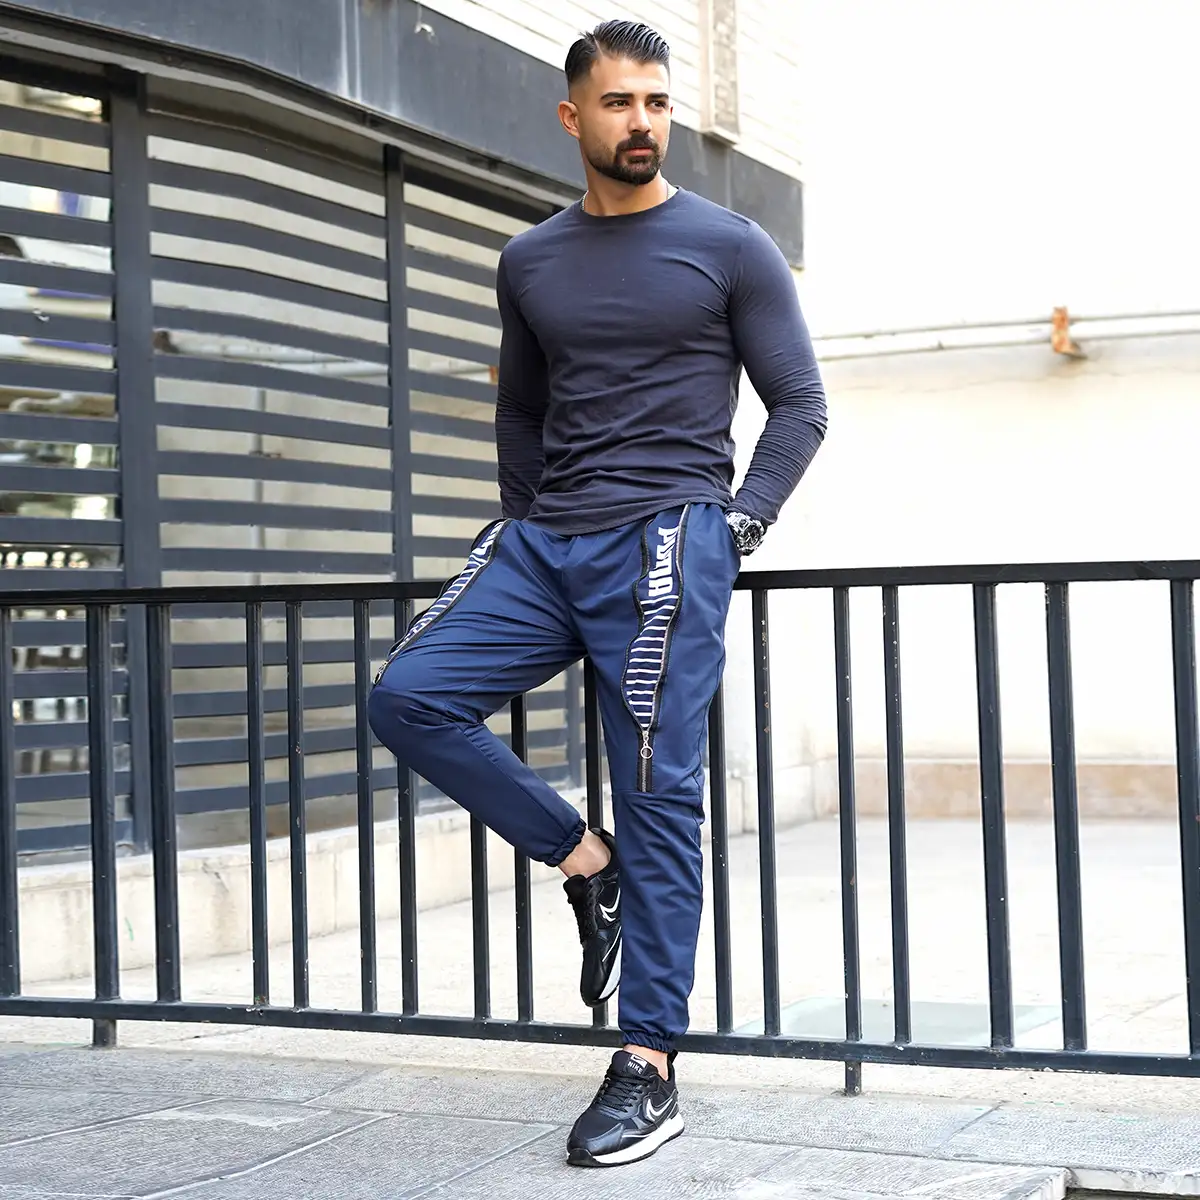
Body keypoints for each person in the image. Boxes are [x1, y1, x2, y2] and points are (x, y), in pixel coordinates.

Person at [368, 18, 826, 1169]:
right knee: (408, 695)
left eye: (658, 102)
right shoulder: (530, 259)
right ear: (574, 116)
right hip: (545, 543)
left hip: (669, 539)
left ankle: (650, 1063)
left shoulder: (730, 246)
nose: (643, 122)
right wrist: (524, 519)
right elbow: (521, 410)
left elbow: (800, 406)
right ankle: (586, 861)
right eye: (620, 103)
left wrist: (735, 528)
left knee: (659, 790)